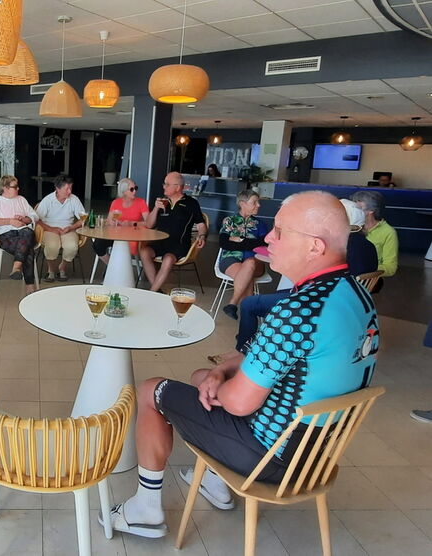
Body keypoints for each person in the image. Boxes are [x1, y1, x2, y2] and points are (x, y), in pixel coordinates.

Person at [109, 191, 379, 539]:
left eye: (281, 232)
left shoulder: (297, 312)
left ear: (315, 247)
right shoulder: (355, 294)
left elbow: (238, 403)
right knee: (201, 376)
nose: (268, 238)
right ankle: (216, 484)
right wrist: (218, 374)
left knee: (151, 390)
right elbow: (271, 354)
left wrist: (219, 387)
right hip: (317, 455)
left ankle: (144, 510)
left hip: (269, 456)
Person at [208, 197, 377, 364]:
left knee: (250, 304)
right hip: (347, 307)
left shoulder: (338, 247)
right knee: (274, 291)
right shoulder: (369, 247)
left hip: (317, 304)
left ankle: (241, 354)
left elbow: (310, 277)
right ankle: (254, 346)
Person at [139, 172, 207, 293]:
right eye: (164, 183)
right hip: (159, 242)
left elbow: (201, 224)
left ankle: (151, 292)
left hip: (179, 244)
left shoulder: (191, 203)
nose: (164, 186)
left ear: (177, 187)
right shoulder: (163, 202)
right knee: (144, 252)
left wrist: (202, 236)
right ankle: (157, 290)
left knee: (168, 259)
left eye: (167, 184)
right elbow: (149, 225)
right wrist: (155, 208)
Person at [216, 189, 269, 320]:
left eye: (258, 202)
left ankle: (233, 303)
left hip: (256, 261)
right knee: (247, 278)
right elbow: (224, 243)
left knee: (249, 264)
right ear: (242, 203)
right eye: (254, 202)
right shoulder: (229, 221)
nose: (259, 205)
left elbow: (263, 244)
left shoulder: (260, 225)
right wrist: (250, 242)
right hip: (230, 259)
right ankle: (247, 329)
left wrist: (238, 240)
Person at [0, 176, 39, 293]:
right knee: (28, 248)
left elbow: (35, 216)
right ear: (6, 188)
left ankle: (16, 266)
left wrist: (24, 219)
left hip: (24, 232)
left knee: (28, 232)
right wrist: (9, 221)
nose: (18, 188)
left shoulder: (21, 200)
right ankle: (30, 286)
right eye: (15, 187)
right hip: (5, 235)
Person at [35, 175, 86, 283]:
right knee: (52, 246)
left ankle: (62, 268)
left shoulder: (74, 199)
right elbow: (36, 219)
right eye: (67, 188)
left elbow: (83, 219)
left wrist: (71, 227)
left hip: (68, 228)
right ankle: (51, 270)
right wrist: (51, 229)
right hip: (49, 228)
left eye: (71, 188)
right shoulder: (48, 200)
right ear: (57, 188)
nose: (70, 191)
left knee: (71, 246)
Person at [92, 178, 149, 266]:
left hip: (132, 236)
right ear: (124, 191)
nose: (134, 191)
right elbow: (109, 221)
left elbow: (148, 223)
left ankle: (117, 269)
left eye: (135, 188)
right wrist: (111, 222)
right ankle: (113, 266)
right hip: (116, 235)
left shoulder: (141, 202)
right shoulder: (116, 203)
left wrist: (131, 223)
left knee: (124, 247)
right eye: (131, 189)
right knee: (97, 244)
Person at [352, 190, 398, 284]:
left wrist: (363, 267)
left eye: (359, 208)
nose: (354, 212)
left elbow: (390, 268)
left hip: (367, 281)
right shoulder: (351, 227)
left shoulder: (388, 232)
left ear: (371, 210)